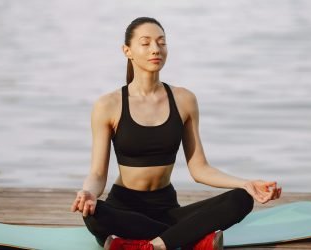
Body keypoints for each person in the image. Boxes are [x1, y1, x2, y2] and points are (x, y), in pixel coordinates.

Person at [70, 17, 282, 250]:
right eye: (146, 42)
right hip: (124, 208)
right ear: (127, 51)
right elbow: (98, 173)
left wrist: (246, 183)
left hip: (167, 210)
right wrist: (88, 192)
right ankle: (187, 239)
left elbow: (199, 169)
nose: (155, 49)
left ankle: (154, 245)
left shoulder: (184, 100)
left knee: (241, 199)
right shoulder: (108, 105)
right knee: (92, 213)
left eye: (161, 42)